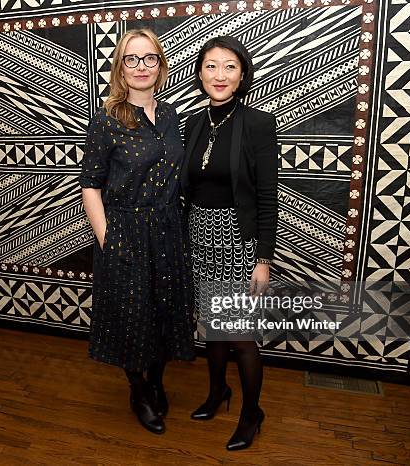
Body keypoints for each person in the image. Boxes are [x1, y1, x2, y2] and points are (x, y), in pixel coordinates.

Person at [79, 29, 195, 435]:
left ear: (161, 66)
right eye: (132, 59)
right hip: (126, 230)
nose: (141, 66)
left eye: (150, 58)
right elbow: (90, 183)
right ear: (121, 68)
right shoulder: (106, 120)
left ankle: (158, 381)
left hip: (167, 230)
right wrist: (108, 239)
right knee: (132, 316)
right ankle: (137, 390)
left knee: (164, 312)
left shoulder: (169, 115)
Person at [182, 36, 278, 450]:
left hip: (239, 242)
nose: (219, 75)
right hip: (199, 237)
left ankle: (251, 413)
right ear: (200, 73)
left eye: (229, 67)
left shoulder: (258, 123)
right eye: (211, 66)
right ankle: (218, 391)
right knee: (213, 328)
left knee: (239, 335)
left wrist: (264, 259)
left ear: (242, 75)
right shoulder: (194, 123)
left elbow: (267, 196)